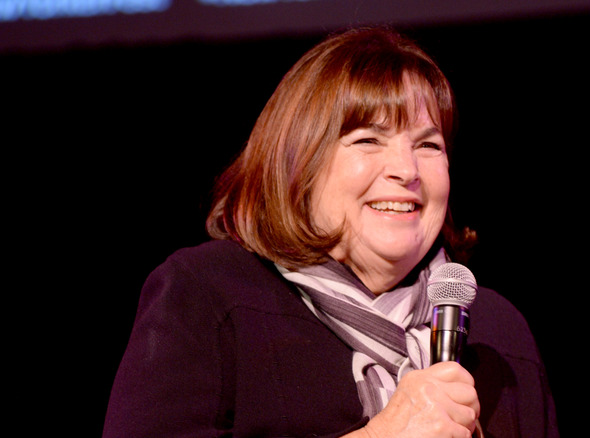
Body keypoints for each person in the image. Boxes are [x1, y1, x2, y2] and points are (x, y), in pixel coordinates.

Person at [103, 26, 558, 438]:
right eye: (367, 140)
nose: (407, 170)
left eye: (428, 145)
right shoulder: (208, 294)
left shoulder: (497, 332)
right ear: (299, 164)